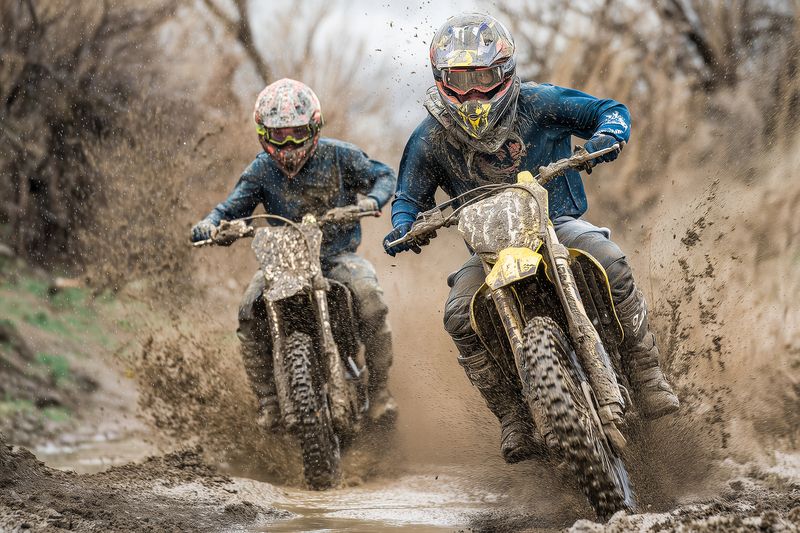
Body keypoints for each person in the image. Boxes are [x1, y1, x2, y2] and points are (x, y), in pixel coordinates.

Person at [383, 14, 679, 463]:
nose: (474, 91)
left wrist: (608, 136)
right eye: (461, 79)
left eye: (483, 76)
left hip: (555, 225)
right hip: (487, 253)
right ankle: (512, 415)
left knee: (611, 260)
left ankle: (647, 370)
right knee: (460, 315)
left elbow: (609, 109)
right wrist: (404, 226)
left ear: (504, 70)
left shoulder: (539, 102)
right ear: (441, 79)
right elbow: (408, 195)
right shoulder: (430, 137)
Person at [192, 78, 397, 428]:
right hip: (282, 263)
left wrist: (371, 201)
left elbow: (384, 175)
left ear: (314, 127)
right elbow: (229, 208)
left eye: (296, 133)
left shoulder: (339, 155)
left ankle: (380, 393)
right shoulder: (260, 169)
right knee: (247, 309)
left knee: (370, 297)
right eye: (279, 135)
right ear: (263, 134)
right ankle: (269, 402)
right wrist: (211, 225)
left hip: (337, 258)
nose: (288, 144)